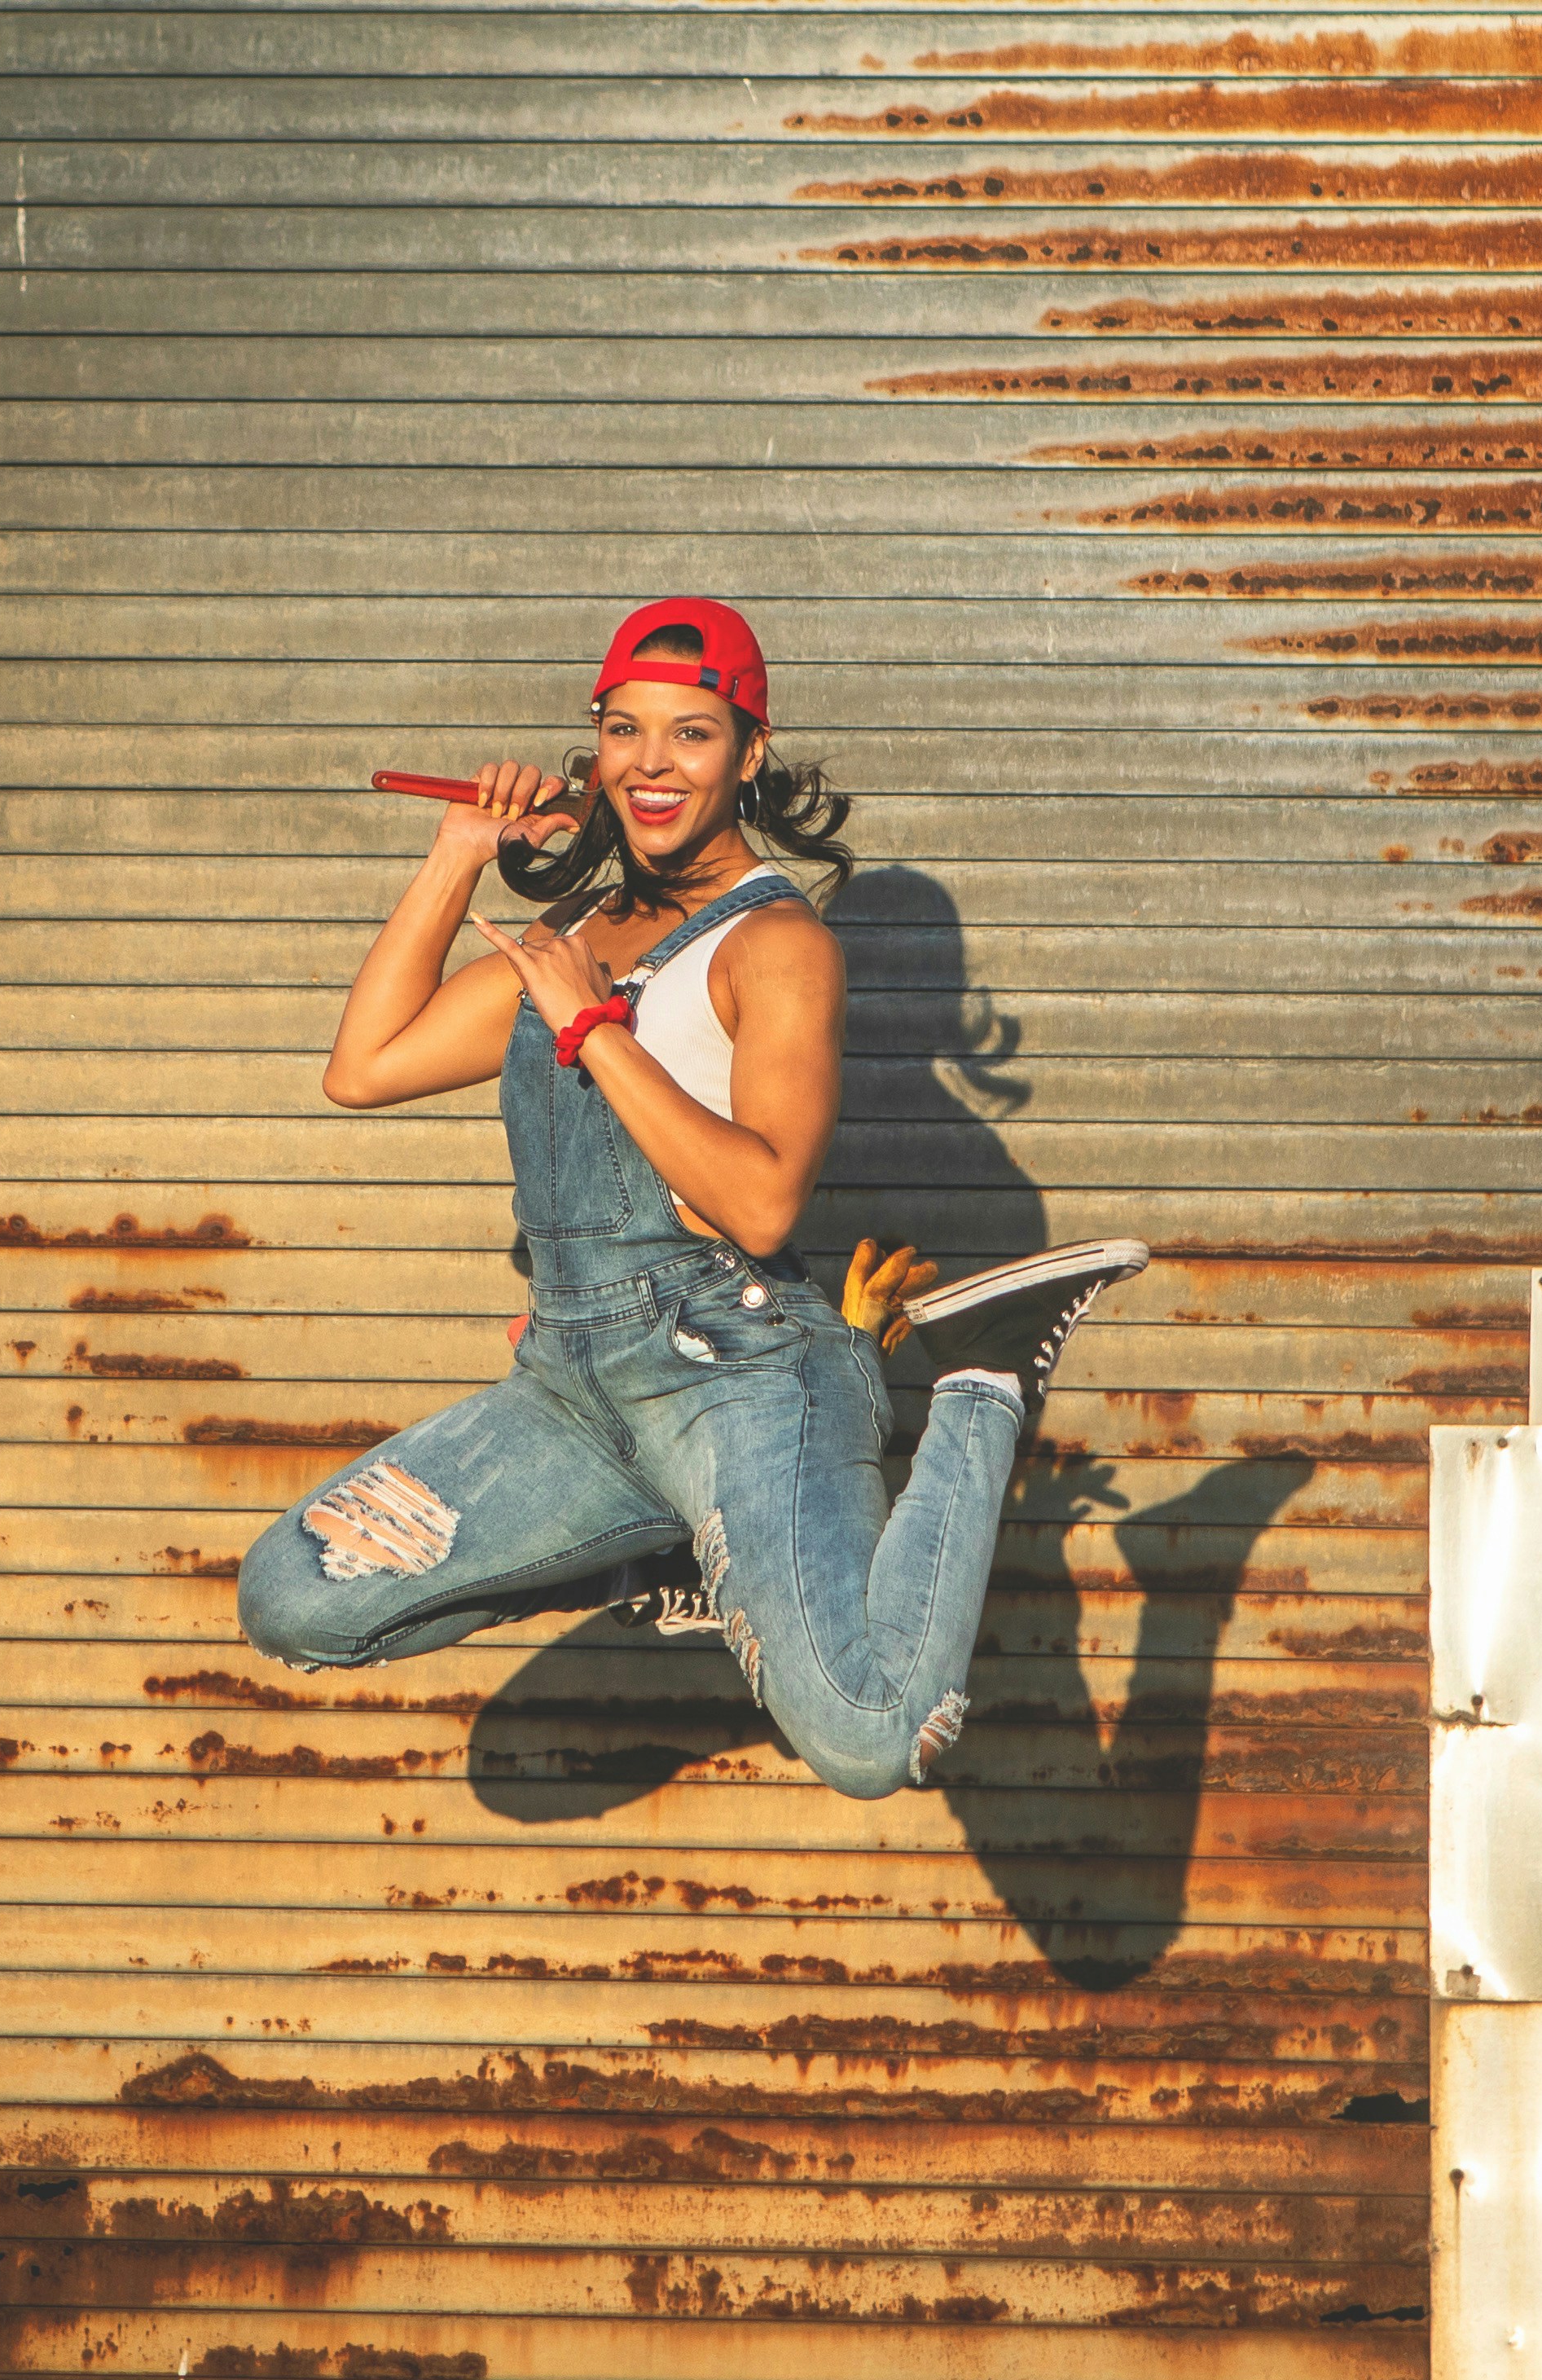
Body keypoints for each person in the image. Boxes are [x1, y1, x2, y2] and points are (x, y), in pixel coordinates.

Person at [237, 599, 1147, 1799]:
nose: (651, 765)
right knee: (293, 1596)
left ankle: (983, 1375)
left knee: (876, 1739)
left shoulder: (773, 944)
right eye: (624, 730)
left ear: (749, 752)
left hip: (735, 1371)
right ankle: (661, 1547)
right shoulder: (575, 930)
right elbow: (363, 1068)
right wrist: (457, 855)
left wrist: (593, 1029)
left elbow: (766, 1202)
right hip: (568, 1383)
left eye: (691, 734)